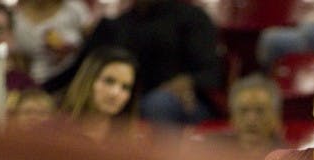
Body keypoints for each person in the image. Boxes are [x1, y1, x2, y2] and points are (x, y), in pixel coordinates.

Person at [44, 0, 221, 126]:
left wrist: (187, 81)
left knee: (158, 103)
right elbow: (80, 68)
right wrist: (39, 90)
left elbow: (212, 73)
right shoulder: (114, 25)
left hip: (182, 103)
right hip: (125, 95)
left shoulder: (193, 18)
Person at [57, 45, 140, 143]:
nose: (115, 93)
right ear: (88, 80)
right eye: (109, 81)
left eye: (125, 87)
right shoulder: (54, 131)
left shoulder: (132, 141)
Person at [204, 73, 287, 160]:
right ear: (232, 118)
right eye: (243, 111)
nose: (251, 119)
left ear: (276, 117)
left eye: (260, 111)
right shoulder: (213, 152)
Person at [12, 0, 94, 85]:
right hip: (40, 82)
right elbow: (21, 60)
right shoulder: (18, 18)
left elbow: (94, 39)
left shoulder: (73, 8)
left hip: (76, 78)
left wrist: (71, 49)